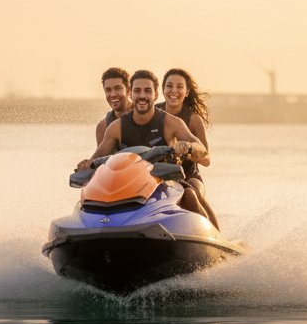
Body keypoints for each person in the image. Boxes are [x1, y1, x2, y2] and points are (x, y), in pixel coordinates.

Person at [75, 69, 215, 223]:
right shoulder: (116, 127)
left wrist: (189, 146)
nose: (142, 96)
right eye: (137, 91)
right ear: (130, 94)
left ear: (155, 95)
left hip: (166, 185)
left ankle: (213, 239)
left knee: (190, 195)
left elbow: (205, 154)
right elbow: (98, 161)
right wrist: (86, 165)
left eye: (147, 91)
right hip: (131, 187)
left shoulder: (171, 123)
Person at [157, 68, 219, 229]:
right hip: (161, 176)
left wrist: (189, 150)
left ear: (187, 91)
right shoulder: (154, 113)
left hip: (190, 175)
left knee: (192, 192)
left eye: (179, 87)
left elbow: (207, 160)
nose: (174, 91)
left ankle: (215, 235)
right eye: (169, 86)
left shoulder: (193, 119)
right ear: (163, 89)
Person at [93, 67, 134, 146]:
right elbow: (101, 157)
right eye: (108, 90)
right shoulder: (103, 127)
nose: (113, 94)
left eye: (118, 88)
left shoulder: (143, 115)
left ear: (128, 90)